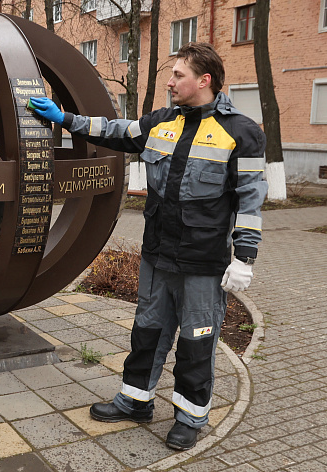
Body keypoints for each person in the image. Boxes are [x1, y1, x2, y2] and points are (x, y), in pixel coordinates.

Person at [30, 42, 267, 451]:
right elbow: (117, 131)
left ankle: (190, 417)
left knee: (196, 342)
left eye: (178, 75)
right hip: (157, 256)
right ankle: (135, 401)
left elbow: (251, 198)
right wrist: (65, 119)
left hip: (202, 264)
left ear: (203, 80)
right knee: (147, 332)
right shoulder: (162, 121)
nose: (171, 82)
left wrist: (244, 257)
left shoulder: (241, 133)